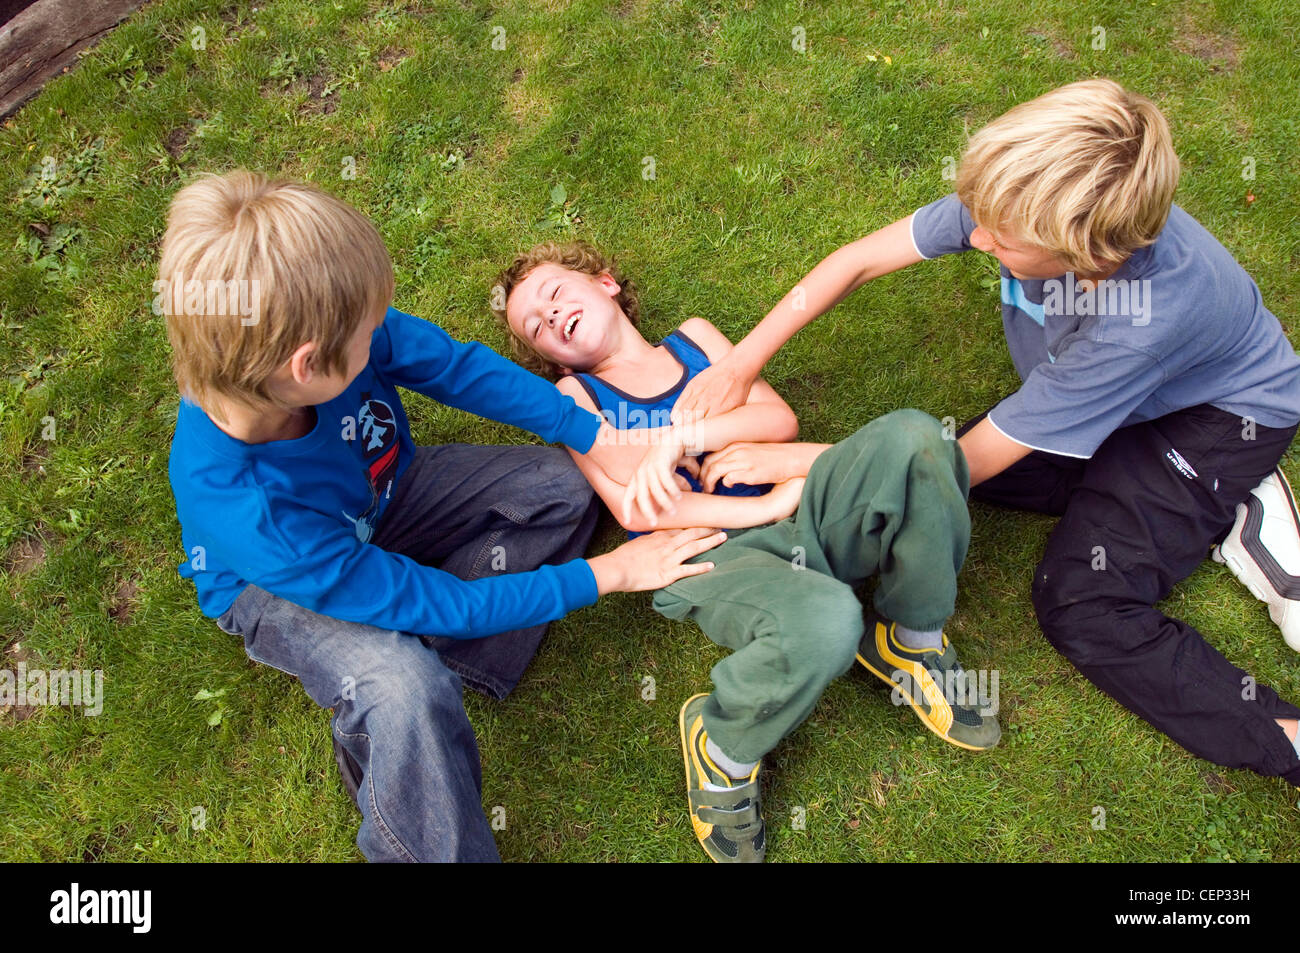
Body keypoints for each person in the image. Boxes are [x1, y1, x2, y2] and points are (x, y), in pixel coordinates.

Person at [646, 78, 1300, 788]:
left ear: (1090, 256)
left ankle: (1282, 723)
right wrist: (743, 361)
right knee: (946, 466)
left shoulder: (1134, 326)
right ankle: (1180, 499)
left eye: (1001, 239)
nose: (976, 236)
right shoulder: (1022, 198)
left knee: (1081, 601)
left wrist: (807, 460)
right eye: (980, 217)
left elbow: (960, 465)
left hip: (1213, 422)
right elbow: (858, 260)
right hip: (1121, 400)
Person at [161, 170, 725, 862]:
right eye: (370, 334)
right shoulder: (249, 507)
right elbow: (437, 600)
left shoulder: (325, 319)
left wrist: (593, 434)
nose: (382, 336)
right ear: (306, 367)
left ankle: (459, 659)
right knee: (404, 688)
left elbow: (457, 369)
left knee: (563, 488)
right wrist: (606, 573)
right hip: (277, 585)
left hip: (393, 490)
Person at [495, 240, 997, 862]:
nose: (549, 318)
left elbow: (775, 418)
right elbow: (635, 507)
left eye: (553, 295)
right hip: (703, 554)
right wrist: (761, 506)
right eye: (535, 328)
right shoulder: (578, 400)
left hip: (802, 514)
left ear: (605, 283)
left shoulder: (695, 342)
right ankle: (721, 746)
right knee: (829, 620)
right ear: (549, 359)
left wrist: (684, 441)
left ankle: (910, 637)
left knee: (921, 440)